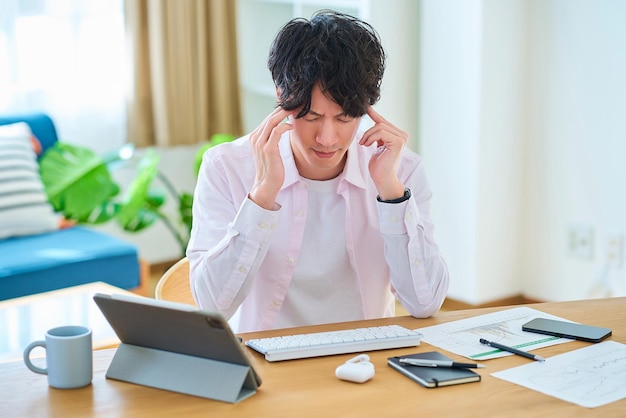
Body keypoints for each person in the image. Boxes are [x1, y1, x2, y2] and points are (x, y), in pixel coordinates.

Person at [187, 10, 449, 333]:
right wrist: (262, 196)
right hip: (264, 367)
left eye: (344, 119)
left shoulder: (400, 170)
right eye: (311, 117)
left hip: (366, 362)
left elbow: (425, 304)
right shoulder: (226, 168)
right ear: (282, 97)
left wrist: (391, 193)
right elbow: (213, 307)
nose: (327, 139)